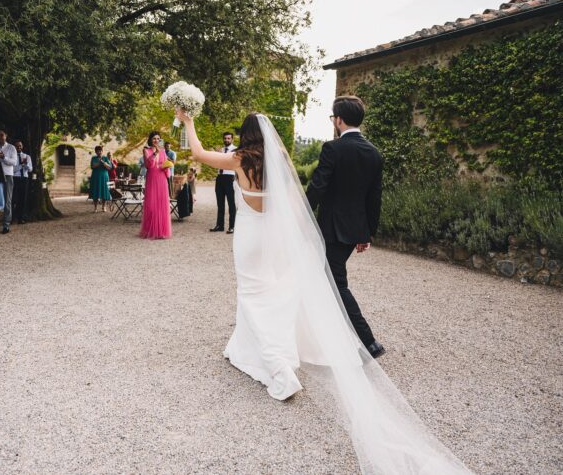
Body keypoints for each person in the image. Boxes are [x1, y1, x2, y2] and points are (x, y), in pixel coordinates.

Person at [177, 108, 470, 474]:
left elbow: (200, 155)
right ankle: (252, 346)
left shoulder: (239, 158)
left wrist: (187, 122)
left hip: (250, 237)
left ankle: (280, 371)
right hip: (276, 237)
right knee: (273, 292)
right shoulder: (279, 160)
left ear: (245, 134)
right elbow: (297, 203)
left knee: (252, 293)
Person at [305, 96, 384, 357]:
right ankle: (325, 334)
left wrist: (301, 212)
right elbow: (374, 198)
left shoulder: (332, 148)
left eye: (332, 117)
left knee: (336, 283)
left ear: (338, 119)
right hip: (354, 231)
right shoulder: (374, 153)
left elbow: (318, 186)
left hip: (331, 229)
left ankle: (369, 341)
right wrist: (367, 232)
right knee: (324, 279)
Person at [139, 131, 171, 239]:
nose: (156, 140)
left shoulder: (163, 152)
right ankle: (150, 230)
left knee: (162, 205)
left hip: (162, 179)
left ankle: (161, 231)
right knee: (151, 205)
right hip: (152, 178)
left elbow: (165, 164)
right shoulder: (146, 150)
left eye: (158, 139)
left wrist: (167, 168)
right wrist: (155, 153)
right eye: (154, 139)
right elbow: (148, 165)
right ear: (150, 140)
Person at [210, 131, 236, 234]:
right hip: (220, 177)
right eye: (225, 138)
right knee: (220, 204)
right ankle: (220, 225)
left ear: (232, 139)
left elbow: (233, 163)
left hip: (230, 178)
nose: (226, 140)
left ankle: (232, 226)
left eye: (229, 138)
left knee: (231, 203)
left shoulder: (235, 151)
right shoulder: (220, 150)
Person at [12, 139, 33, 223]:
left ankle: (21, 218)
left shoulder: (27, 156)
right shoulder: (12, 157)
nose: (19, 147)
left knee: (23, 199)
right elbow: (13, 170)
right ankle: (12, 218)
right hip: (15, 178)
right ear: (14, 147)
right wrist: (21, 164)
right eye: (17, 146)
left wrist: (25, 165)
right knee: (13, 199)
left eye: (20, 146)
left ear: (22, 146)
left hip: (24, 178)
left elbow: (30, 169)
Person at [88, 145, 112, 213]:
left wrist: (104, 163)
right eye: (97, 151)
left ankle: (103, 206)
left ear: (102, 151)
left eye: (100, 151)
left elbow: (109, 167)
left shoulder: (105, 158)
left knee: (104, 191)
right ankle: (95, 207)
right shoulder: (93, 158)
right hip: (96, 177)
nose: (99, 152)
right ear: (95, 152)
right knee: (95, 191)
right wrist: (99, 163)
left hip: (104, 177)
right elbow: (92, 166)